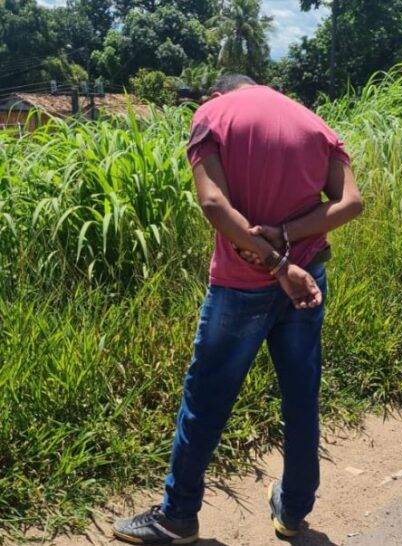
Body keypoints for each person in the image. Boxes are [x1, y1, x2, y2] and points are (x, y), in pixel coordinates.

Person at [113, 74, 363, 544]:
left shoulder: (212, 115)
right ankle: (292, 512)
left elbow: (212, 202)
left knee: (206, 399)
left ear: (217, 94)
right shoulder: (316, 124)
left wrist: (273, 261)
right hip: (307, 280)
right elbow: (351, 203)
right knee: (301, 395)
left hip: (242, 285)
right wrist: (287, 240)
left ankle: (178, 516)